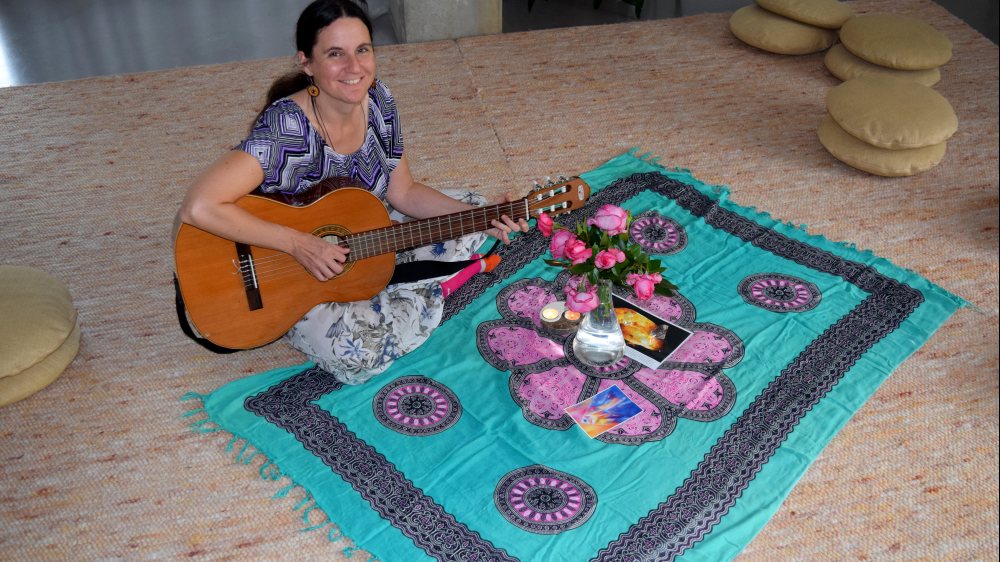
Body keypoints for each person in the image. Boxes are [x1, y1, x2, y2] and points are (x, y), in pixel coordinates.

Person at [175, 0, 527, 384]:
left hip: (361, 225)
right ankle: (418, 285)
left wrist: (482, 217)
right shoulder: (287, 129)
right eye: (335, 54)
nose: (354, 68)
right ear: (307, 63)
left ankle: (395, 283)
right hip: (277, 269)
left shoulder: (379, 100)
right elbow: (199, 206)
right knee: (360, 355)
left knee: (471, 209)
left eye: (362, 50)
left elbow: (404, 192)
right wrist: (298, 244)